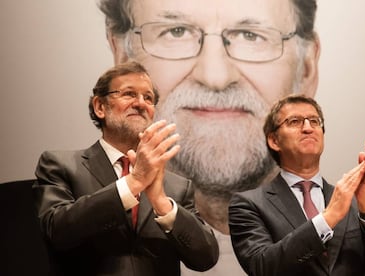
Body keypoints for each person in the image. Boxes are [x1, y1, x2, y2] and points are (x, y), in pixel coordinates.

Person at [98, 0, 320, 274]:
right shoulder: (85, 212)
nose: (215, 76)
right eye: (176, 32)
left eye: (250, 35)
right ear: (122, 57)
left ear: (307, 66)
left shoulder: (341, 215)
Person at [33, 61, 219, 276]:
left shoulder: (176, 187)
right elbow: (57, 232)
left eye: (148, 98)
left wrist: (161, 204)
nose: (140, 103)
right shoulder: (60, 165)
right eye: (129, 94)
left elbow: (205, 258)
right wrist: (132, 183)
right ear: (100, 107)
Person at [228, 94, 365, 276]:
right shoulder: (248, 205)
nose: (307, 128)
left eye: (314, 121)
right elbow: (262, 267)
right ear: (274, 141)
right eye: (295, 121)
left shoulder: (352, 203)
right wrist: (328, 218)